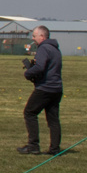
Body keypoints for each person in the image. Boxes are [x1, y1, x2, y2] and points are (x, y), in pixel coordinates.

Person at [18, 24, 63, 155]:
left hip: (45, 88)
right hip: (57, 89)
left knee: (29, 113)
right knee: (53, 119)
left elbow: (40, 67)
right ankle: (55, 149)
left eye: (34, 36)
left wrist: (28, 73)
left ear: (42, 36)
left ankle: (33, 146)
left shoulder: (43, 48)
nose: (33, 38)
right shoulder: (56, 49)